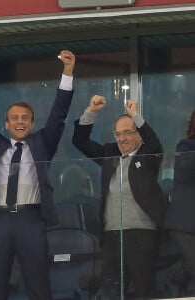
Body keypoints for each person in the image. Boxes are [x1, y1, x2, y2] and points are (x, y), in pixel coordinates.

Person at [0, 50, 75, 300]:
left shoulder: (43, 142)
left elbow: (59, 114)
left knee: (38, 283)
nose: (20, 122)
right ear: (6, 124)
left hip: (31, 219)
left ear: (32, 123)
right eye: (14, 118)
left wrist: (67, 72)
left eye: (25, 118)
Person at [72, 95, 166, 299]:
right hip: (112, 237)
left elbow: (154, 142)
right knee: (112, 294)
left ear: (138, 135)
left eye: (127, 133)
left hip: (142, 235)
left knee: (144, 292)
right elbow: (79, 141)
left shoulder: (148, 155)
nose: (122, 138)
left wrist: (135, 115)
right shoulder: (110, 154)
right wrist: (91, 112)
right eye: (118, 134)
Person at [165, 109, 195, 294]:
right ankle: (173, 277)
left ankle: (175, 276)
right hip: (185, 225)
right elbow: (185, 166)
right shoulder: (185, 146)